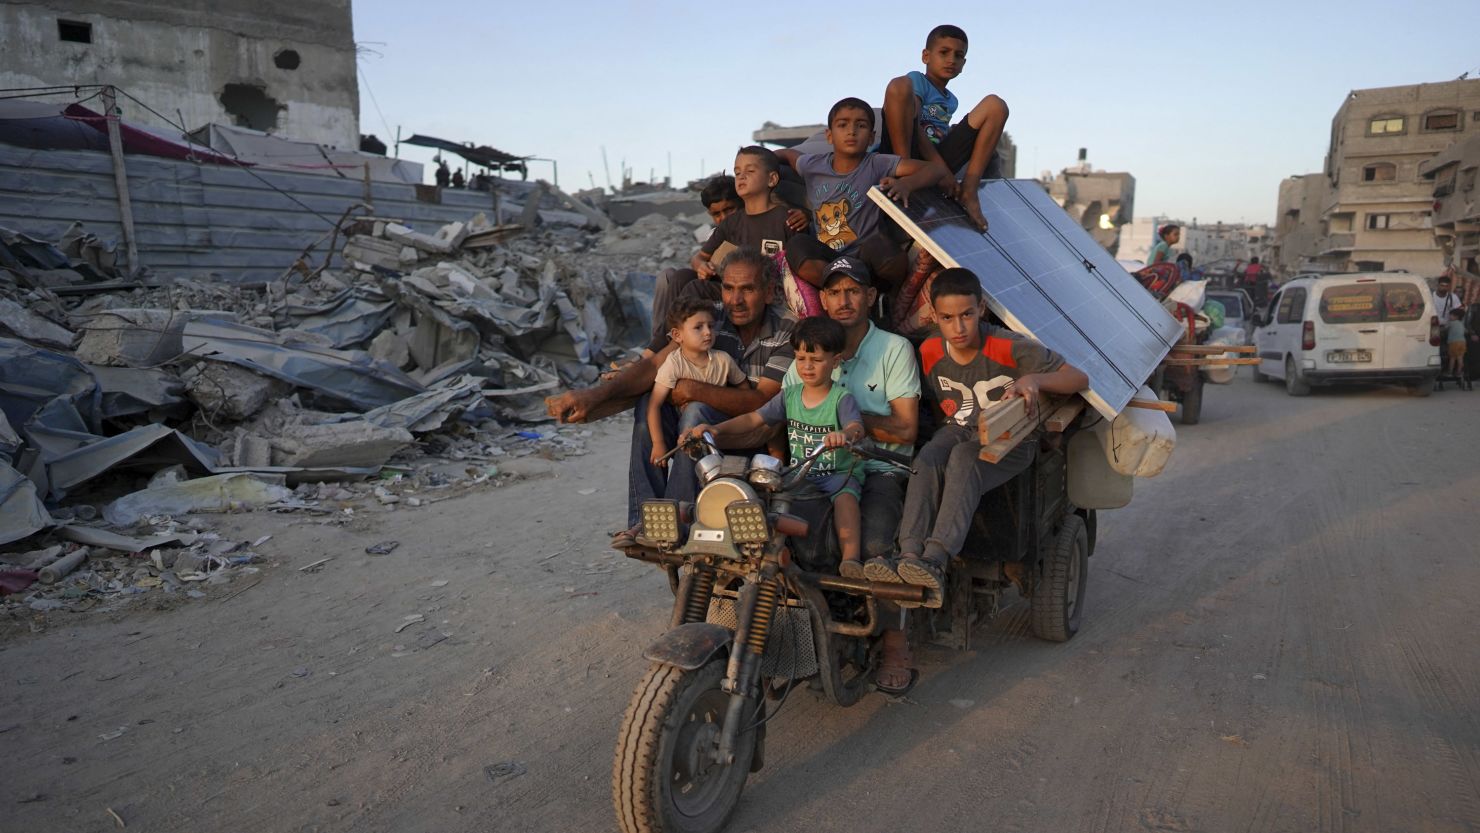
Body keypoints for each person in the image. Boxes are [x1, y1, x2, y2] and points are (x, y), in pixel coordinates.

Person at [545, 249, 796, 544]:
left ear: (768, 293)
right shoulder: (711, 318)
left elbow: (762, 401)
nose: (735, 300)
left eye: (748, 290)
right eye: (729, 288)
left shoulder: (787, 329)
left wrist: (694, 390)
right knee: (649, 403)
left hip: (750, 430)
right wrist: (593, 396)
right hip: (702, 433)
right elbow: (654, 365)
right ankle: (644, 519)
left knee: (696, 410)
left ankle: (675, 516)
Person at [877, 268, 1089, 606]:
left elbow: (1077, 378)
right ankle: (909, 557)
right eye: (947, 318)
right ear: (934, 315)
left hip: (1012, 440)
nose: (958, 327)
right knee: (930, 457)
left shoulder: (1009, 346)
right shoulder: (929, 351)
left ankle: (936, 559)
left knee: (963, 459)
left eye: (966, 315)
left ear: (981, 310)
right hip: (957, 428)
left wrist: (1034, 380)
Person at [785, 256, 922, 691]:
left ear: (870, 296)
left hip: (878, 465)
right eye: (833, 292)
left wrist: (843, 419)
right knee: (772, 535)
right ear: (822, 299)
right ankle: (795, 633)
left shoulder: (894, 349)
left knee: (878, 544)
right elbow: (782, 409)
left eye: (852, 291)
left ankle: (896, 641)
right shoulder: (810, 347)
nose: (843, 300)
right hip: (814, 466)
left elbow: (904, 426)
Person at [684, 317, 868, 575]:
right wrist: (715, 429)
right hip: (800, 473)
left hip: (837, 474)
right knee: (761, 494)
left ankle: (851, 559)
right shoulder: (789, 395)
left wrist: (844, 435)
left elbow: (856, 427)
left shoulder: (841, 398)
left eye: (816, 360)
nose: (807, 366)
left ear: (835, 362)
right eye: (801, 358)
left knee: (846, 500)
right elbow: (753, 418)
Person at [776, 97, 953, 293]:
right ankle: (838, 290)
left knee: (888, 253)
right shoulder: (813, 165)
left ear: (871, 137)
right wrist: (760, 160)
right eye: (842, 125)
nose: (851, 131)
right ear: (829, 136)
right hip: (829, 261)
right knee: (797, 246)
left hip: (865, 260)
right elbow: (787, 155)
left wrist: (906, 184)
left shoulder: (877, 163)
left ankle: (878, 298)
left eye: (860, 125)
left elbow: (935, 170)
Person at [880, 24, 1008, 232]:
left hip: (935, 161)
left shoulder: (951, 101)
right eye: (944, 52)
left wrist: (943, 169)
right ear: (926, 56)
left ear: (963, 63)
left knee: (996, 105)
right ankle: (905, 172)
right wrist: (941, 170)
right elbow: (916, 126)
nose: (951, 60)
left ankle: (969, 189)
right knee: (899, 85)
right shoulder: (917, 81)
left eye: (958, 56)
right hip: (905, 151)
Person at [648, 298, 748, 469]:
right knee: (691, 417)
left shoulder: (723, 360)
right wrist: (658, 443)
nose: (708, 332)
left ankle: (682, 490)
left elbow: (744, 393)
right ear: (677, 335)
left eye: (710, 326)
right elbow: (654, 405)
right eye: (698, 327)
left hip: (717, 424)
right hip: (686, 426)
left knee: (695, 409)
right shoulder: (674, 363)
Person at [645, 176, 742, 350]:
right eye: (717, 214)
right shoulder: (717, 233)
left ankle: (659, 348)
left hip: (732, 287)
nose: (724, 218)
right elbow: (698, 258)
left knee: (695, 287)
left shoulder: (747, 228)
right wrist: (701, 266)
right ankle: (663, 339)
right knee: (673, 276)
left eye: (729, 210)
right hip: (716, 281)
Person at [1445, 307, 1471, 391]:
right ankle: (1459, 373)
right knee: (1460, 358)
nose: (1449, 317)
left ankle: (1450, 372)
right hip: (1462, 342)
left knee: (1452, 358)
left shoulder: (1451, 323)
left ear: (1456, 316)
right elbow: (1466, 331)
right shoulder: (1461, 323)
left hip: (1453, 343)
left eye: (1451, 315)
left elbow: (1445, 329)